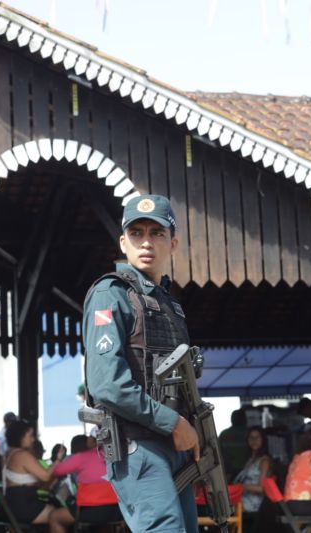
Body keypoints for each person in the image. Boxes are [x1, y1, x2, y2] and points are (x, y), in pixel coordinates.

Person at [83, 194, 200, 533]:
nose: (146, 242)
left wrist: (193, 430)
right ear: (123, 241)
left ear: (172, 242)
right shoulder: (112, 293)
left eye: (156, 233)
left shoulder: (170, 306)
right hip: (138, 443)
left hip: (172, 443)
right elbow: (106, 384)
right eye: (136, 233)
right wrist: (173, 423)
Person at [48, 434, 122, 533]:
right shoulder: (115, 456)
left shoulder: (81, 457)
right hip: (117, 511)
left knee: (55, 517)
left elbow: (56, 471)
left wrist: (59, 458)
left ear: (93, 441)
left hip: (88, 511)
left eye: (90, 437)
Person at [2, 420, 65, 526]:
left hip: (12, 505)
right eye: (30, 435)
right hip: (23, 506)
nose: (33, 439)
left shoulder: (9, 454)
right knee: (60, 516)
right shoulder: (22, 455)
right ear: (21, 436)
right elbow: (45, 476)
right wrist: (58, 460)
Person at [232, 426, 270, 530]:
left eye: (257, 437)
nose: (254, 441)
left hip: (253, 504)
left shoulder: (264, 461)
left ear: (263, 440)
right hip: (241, 502)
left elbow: (261, 488)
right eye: (251, 438)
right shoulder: (249, 459)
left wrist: (241, 487)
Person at [219, 409, 248, 480]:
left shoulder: (224, 434)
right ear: (245, 419)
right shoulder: (249, 433)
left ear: (232, 419)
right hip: (246, 470)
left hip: (227, 471)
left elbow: (218, 452)